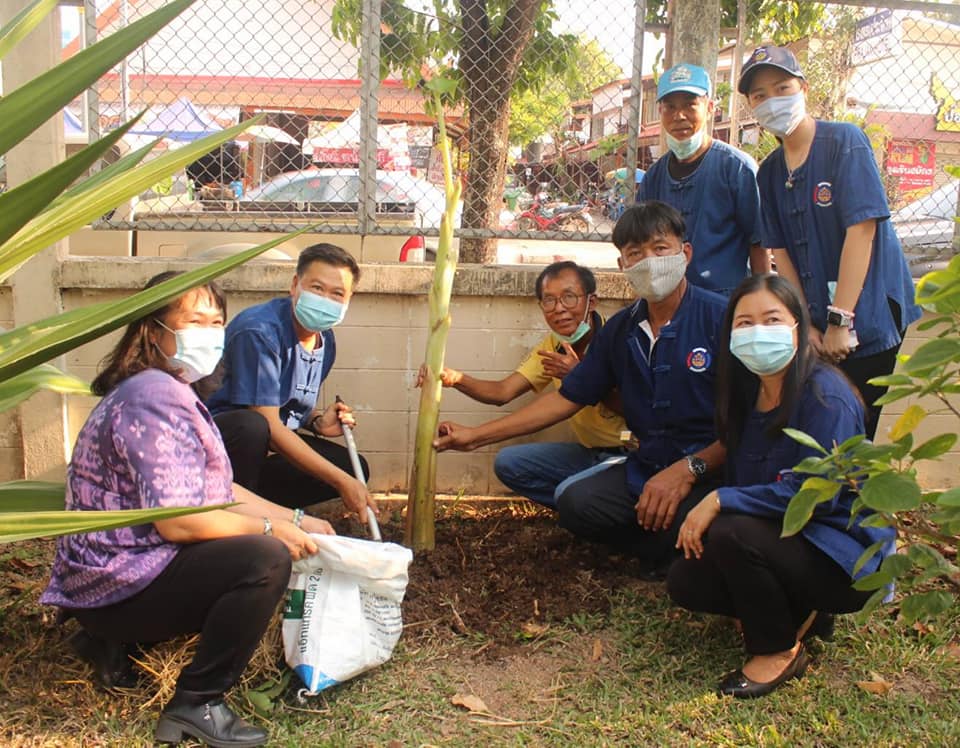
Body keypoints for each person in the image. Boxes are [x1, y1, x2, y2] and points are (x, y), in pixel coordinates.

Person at [41, 273, 336, 747]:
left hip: (114, 579)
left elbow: (217, 490)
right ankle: (196, 702)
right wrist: (271, 530)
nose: (211, 334)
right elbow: (179, 522)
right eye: (194, 321)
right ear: (154, 330)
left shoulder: (166, 389)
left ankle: (107, 641)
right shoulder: (153, 399)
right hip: (116, 588)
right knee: (263, 560)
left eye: (216, 322)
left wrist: (296, 519)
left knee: (264, 542)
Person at [434, 202, 727, 565]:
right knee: (577, 503)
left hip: (711, 471)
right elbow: (565, 399)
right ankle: (665, 541)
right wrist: (474, 437)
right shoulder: (622, 331)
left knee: (716, 524)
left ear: (685, 253)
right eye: (636, 254)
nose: (650, 262)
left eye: (660, 248)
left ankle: (666, 544)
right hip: (646, 467)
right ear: (622, 265)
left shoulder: (722, 318)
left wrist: (689, 469)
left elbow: (749, 422)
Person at [667, 274, 895, 698]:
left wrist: (720, 499)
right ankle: (802, 610)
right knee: (686, 579)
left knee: (732, 529)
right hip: (788, 541)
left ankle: (777, 650)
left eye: (771, 319)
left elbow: (817, 495)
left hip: (842, 554)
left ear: (798, 326)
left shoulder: (825, 396)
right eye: (745, 323)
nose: (758, 333)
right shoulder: (747, 393)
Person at [738, 45, 921, 438]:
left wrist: (841, 319)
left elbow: (862, 231)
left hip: (868, 316)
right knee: (823, 423)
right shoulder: (769, 173)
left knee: (858, 421)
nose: (772, 101)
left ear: (803, 88)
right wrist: (804, 323)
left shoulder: (845, 143)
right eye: (759, 95)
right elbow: (780, 252)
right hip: (817, 325)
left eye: (782, 88)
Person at [417, 261, 627, 508]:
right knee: (510, 463)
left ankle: (595, 508)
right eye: (549, 300)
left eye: (569, 297)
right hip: (589, 453)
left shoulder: (618, 338)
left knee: (572, 494)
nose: (559, 308)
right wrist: (454, 378)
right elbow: (503, 392)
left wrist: (583, 379)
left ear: (591, 302)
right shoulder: (552, 347)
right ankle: (585, 507)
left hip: (629, 455)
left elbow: (639, 409)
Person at [206, 243, 379, 521]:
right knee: (252, 427)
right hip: (222, 444)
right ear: (295, 285)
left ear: (349, 298)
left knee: (352, 466)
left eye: (337, 294)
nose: (325, 300)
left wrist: (317, 422)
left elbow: (284, 400)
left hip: (266, 444)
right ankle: (234, 516)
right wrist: (342, 482)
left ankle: (263, 509)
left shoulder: (325, 338)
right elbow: (268, 424)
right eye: (317, 288)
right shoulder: (260, 332)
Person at [639, 62, 769, 296]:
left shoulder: (737, 169)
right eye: (670, 107)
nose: (679, 116)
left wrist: (763, 300)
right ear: (660, 112)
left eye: (690, 105)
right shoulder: (654, 178)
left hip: (724, 302)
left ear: (709, 108)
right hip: (669, 301)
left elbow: (758, 243)